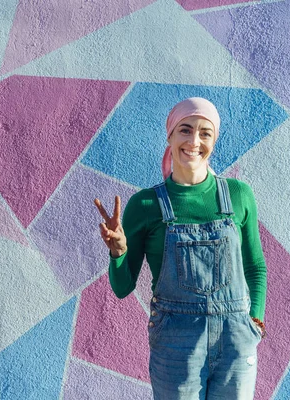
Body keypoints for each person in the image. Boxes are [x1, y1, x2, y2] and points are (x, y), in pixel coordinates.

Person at [94, 97, 267, 400]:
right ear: (170, 135)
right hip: (176, 345)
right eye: (185, 130)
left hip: (236, 341)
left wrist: (254, 323)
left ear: (214, 140)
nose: (194, 141)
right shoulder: (145, 205)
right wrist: (118, 252)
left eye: (205, 133)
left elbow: (255, 267)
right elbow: (122, 287)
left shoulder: (239, 195)